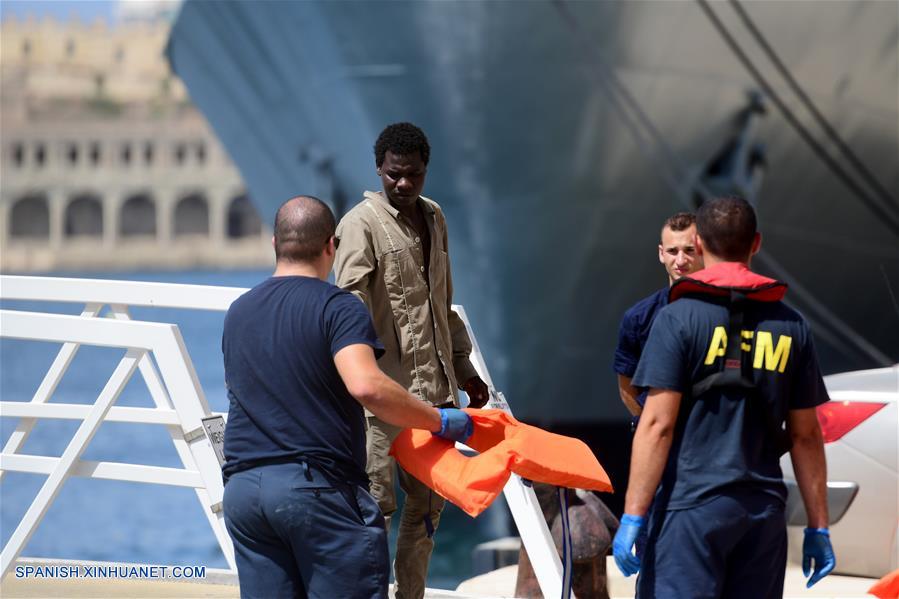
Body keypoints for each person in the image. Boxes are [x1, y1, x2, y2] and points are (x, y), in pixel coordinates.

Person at [221, 196, 474, 599]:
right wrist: (438, 419)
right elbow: (367, 386)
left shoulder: (239, 311)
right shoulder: (337, 308)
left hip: (246, 495)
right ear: (330, 246)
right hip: (316, 492)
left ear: (274, 244)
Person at [612, 196, 835, 598]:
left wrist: (633, 516)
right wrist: (819, 525)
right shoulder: (790, 325)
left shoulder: (677, 319)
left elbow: (657, 424)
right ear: (756, 243)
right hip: (762, 513)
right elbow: (806, 435)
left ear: (698, 244)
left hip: (691, 510)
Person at [334, 122, 489, 599]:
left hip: (435, 397)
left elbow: (442, 303)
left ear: (426, 171)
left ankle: (411, 595)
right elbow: (346, 308)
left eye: (413, 175)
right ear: (378, 169)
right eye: (394, 175)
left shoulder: (435, 218)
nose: (402, 184)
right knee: (374, 510)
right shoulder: (359, 225)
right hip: (382, 401)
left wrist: (465, 370)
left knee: (426, 509)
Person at [614, 212, 703, 418]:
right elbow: (626, 384)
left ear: (702, 251)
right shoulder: (638, 317)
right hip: (662, 439)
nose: (680, 260)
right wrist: (648, 426)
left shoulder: (728, 311)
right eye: (673, 251)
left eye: (689, 250)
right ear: (661, 254)